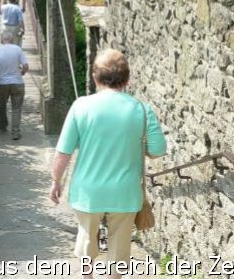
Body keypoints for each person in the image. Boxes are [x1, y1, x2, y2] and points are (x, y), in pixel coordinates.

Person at [49, 49, 166, 278]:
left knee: (86, 240)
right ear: (127, 79)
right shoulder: (142, 110)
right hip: (125, 192)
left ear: (95, 78)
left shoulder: (81, 106)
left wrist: (56, 181)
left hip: (88, 191)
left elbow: (63, 152)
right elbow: (158, 149)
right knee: (119, 249)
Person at [0, 30, 29, 140]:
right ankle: (15, 132)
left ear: (2, 40)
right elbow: (26, 66)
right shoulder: (17, 49)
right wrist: (22, 73)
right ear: (12, 39)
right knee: (16, 109)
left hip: (2, 84)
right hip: (17, 83)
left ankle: (3, 125)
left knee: (2, 105)